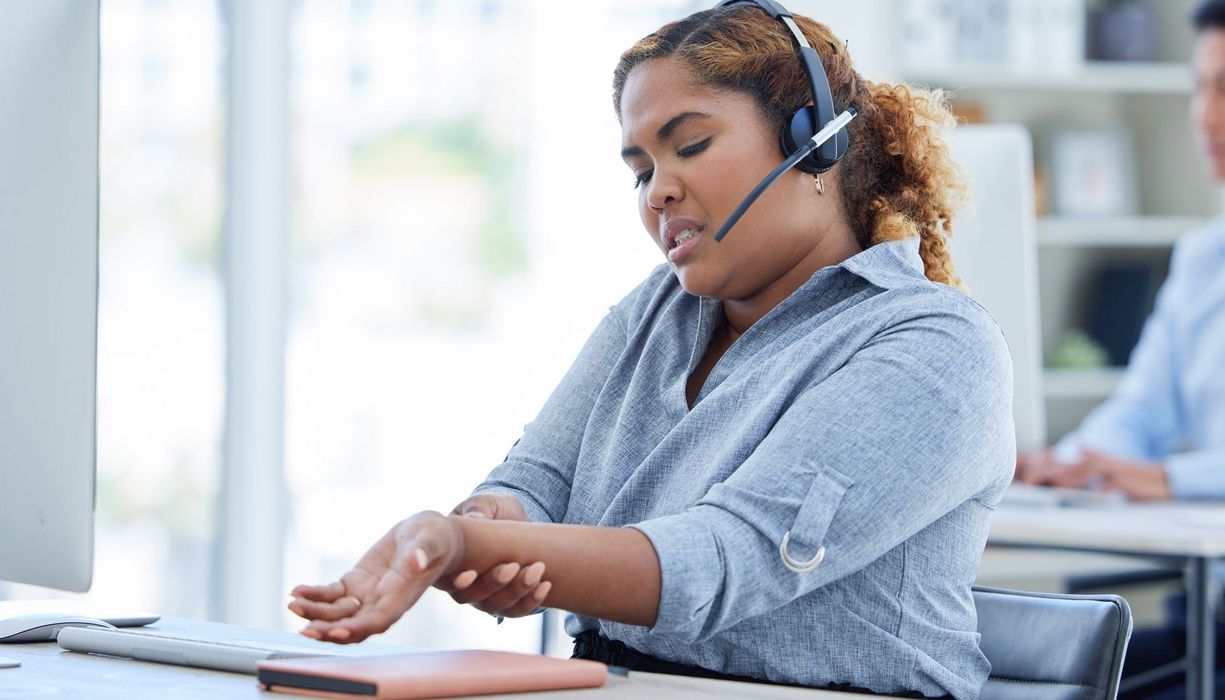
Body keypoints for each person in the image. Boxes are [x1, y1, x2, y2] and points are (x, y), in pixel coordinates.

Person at [289, 3, 1014, 697]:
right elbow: (538, 481)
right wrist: (495, 526)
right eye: (639, 169)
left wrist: (465, 548)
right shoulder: (659, 309)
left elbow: (721, 562)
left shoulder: (935, 345)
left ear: (813, 142)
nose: (657, 193)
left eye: (689, 145)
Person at [1015, 1, 1225, 696]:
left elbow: (1165, 465)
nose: (1203, 117)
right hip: (1210, 620)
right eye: (1200, 87)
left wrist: (1173, 481)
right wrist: (1073, 465)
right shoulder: (1202, 259)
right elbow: (1141, 412)